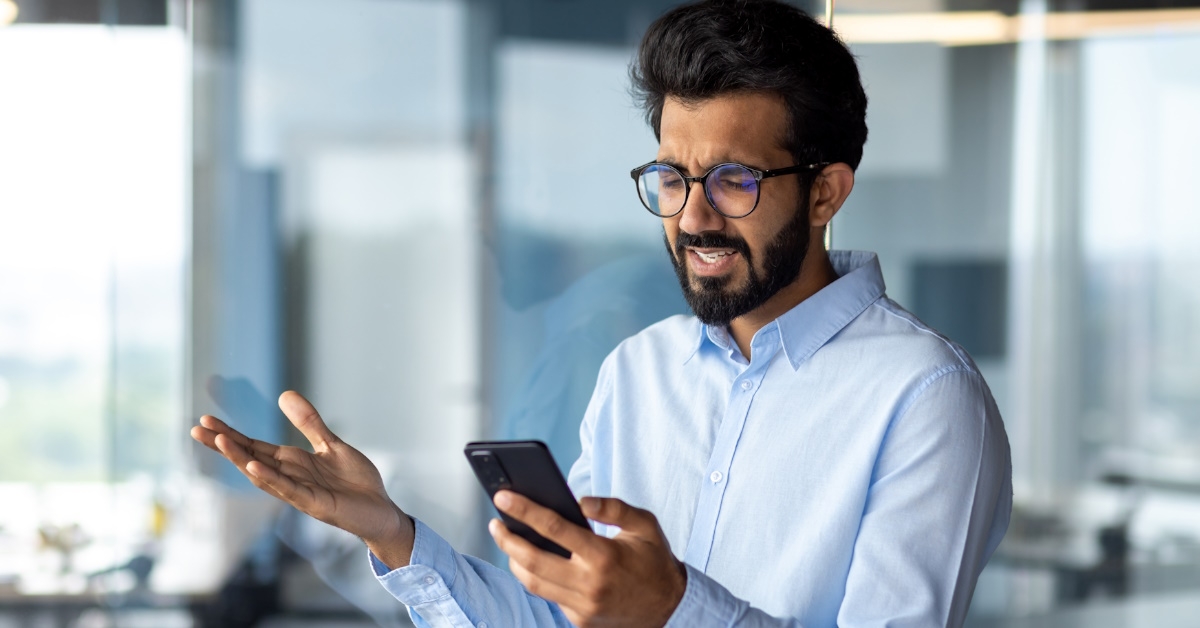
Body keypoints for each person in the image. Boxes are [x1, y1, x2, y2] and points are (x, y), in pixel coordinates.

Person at [191, 0, 1012, 626]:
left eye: (735, 180)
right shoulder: (638, 371)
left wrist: (674, 609)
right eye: (672, 178)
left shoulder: (926, 395)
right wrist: (391, 534)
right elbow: (557, 615)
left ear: (826, 190)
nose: (692, 217)